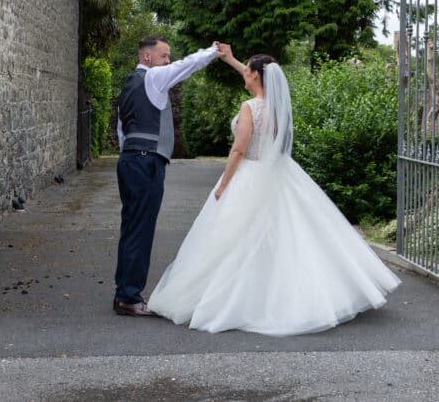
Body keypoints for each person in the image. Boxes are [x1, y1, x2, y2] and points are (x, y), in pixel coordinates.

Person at [147, 48, 401, 335]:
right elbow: (257, 77)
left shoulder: (250, 107)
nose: (245, 74)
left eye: (248, 71)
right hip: (280, 172)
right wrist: (230, 59)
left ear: (255, 75)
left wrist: (223, 185)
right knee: (289, 236)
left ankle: (242, 299)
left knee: (236, 239)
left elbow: (239, 149)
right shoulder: (278, 105)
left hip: (249, 173)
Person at [113, 35, 224, 317]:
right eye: (164, 56)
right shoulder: (152, 78)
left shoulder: (129, 85)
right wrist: (212, 51)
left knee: (131, 228)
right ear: (147, 57)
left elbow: (122, 129)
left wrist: (131, 155)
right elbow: (186, 66)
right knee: (141, 230)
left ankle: (124, 291)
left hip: (130, 159)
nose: (168, 61)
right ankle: (128, 296)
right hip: (146, 161)